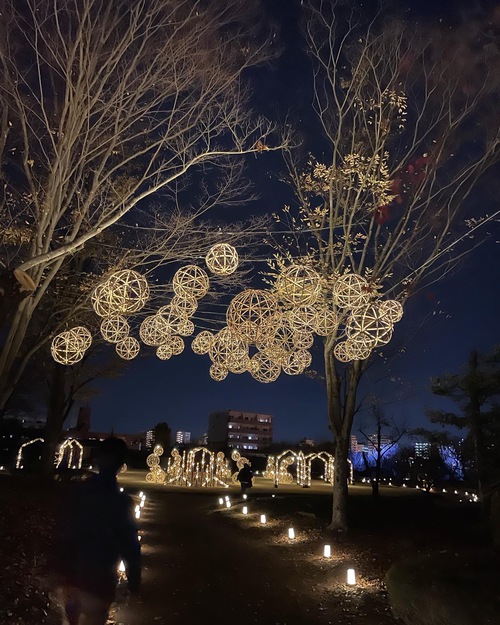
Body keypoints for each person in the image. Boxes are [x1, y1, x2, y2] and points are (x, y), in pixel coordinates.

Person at [52, 437, 141, 625]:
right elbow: (129, 543)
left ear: (97, 460)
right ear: (120, 465)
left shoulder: (76, 494)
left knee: (71, 619)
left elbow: (63, 531)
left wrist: (59, 568)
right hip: (99, 580)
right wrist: (134, 577)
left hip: (71, 577)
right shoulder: (120, 502)